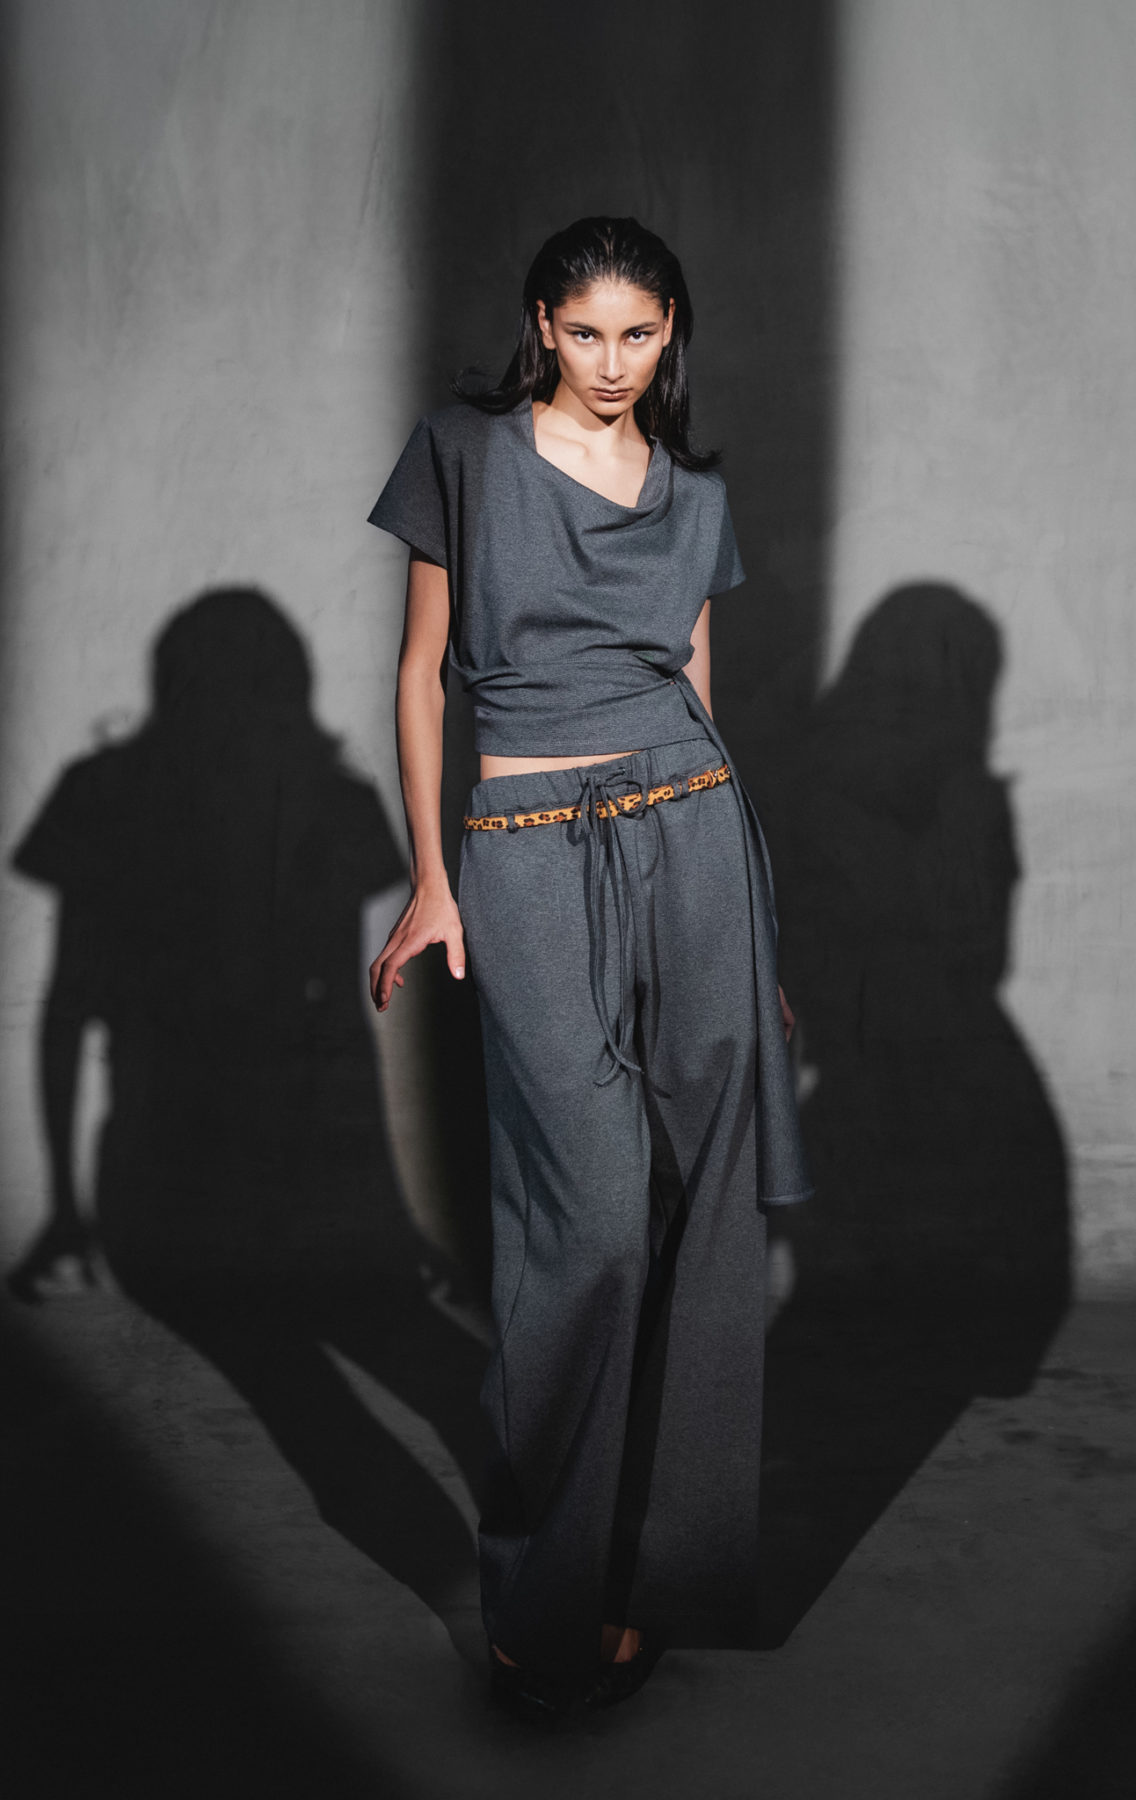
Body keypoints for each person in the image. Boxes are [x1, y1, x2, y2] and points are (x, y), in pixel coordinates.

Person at [367, 215, 812, 1723]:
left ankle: (653, 1582)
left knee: (701, 1224)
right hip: (526, 847)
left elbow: (697, 696)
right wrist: (436, 878)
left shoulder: (696, 495)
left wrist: (753, 938)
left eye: (640, 333)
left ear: (671, 332)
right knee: (594, 1226)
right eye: (585, 332)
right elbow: (422, 674)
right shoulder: (465, 455)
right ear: (540, 327)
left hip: (695, 839)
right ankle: (544, 1599)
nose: (613, 362)